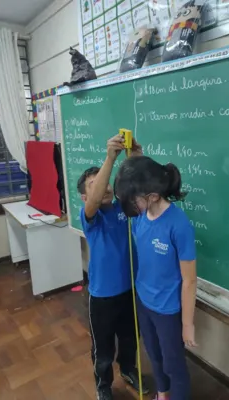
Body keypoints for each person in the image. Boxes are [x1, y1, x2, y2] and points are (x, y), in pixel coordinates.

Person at [113, 156, 197, 400]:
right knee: (154, 356)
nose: (130, 205)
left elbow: (189, 281)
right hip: (144, 302)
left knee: (174, 366)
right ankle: (162, 394)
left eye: (133, 199)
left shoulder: (178, 224)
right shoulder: (140, 217)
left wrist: (187, 325)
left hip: (168, 310)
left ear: (152, 195)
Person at [77, 133, 148, 400]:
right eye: (96, 184)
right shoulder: (89, 216)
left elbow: (141, 190)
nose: (104, 187)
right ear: (85, 196)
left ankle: (129, 369)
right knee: (103, 347)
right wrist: (110, 158)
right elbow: (96, 200)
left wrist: (135, 160)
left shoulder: (123, 207)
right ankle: (103, 384)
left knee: (130, 339)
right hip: (102, 296)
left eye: (106, 182)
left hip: (130, 290)